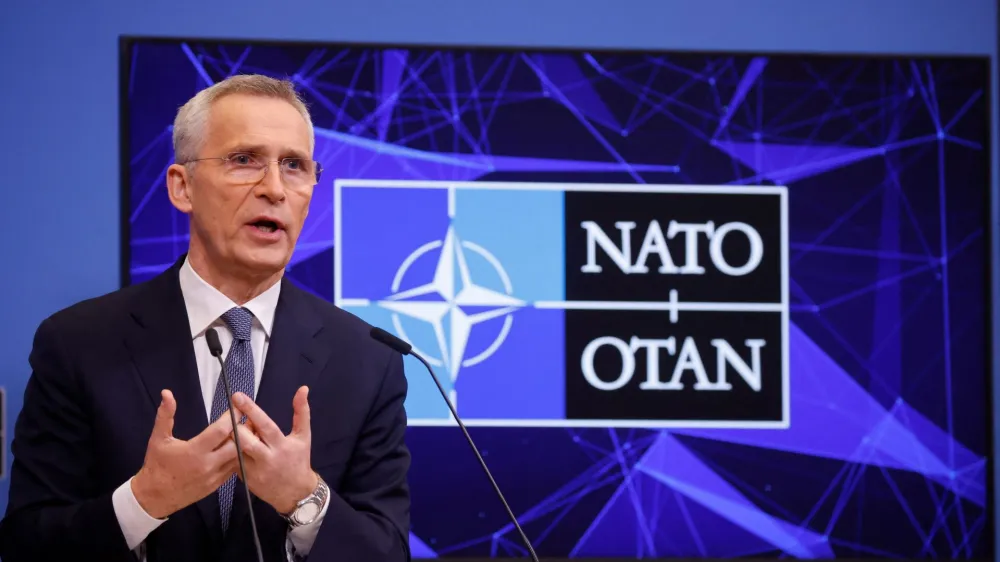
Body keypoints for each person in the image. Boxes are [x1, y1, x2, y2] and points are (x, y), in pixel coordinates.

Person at [0, 74, 411, 561]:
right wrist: (145, 501)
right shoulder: (77, 344)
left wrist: (304, 500)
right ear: (182, 186)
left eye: (294, 166)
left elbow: (387, 553)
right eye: (244, 160)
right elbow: (27, 544)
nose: (275, 188)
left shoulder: (367, 358)